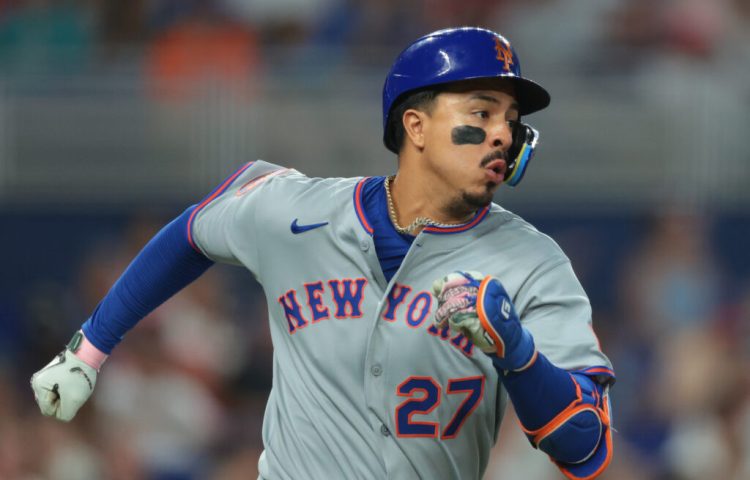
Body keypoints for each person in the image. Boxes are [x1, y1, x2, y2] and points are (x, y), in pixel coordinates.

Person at [31, 27, 615, 479]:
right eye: (481, 113)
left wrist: (517, 350)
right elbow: (191, 232)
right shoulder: (294, 212)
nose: (504, 134)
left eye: (511, 121)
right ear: (415, 126)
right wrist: (89, 349)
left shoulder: (533, 264)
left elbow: (586, 447)